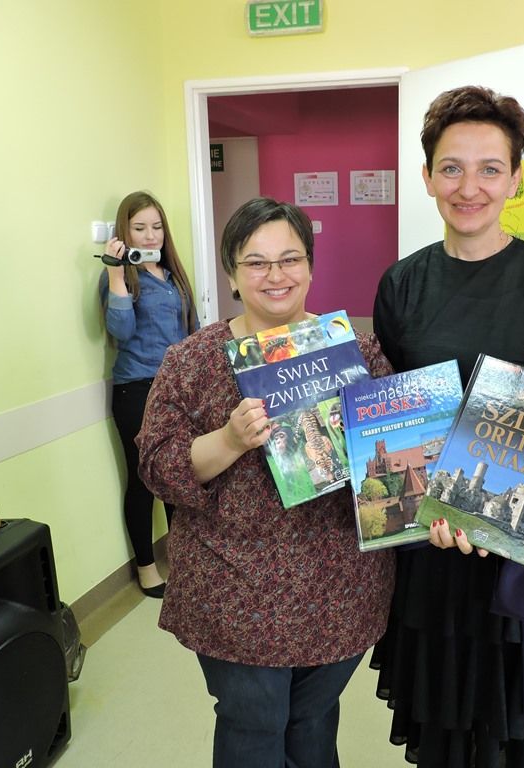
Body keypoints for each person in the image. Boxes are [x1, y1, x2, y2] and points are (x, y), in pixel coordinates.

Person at [371, 85, 524, 766]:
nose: (469, 187)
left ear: (515, 179)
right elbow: (392, 414)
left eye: (489, 169)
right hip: (430, 550)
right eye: (451, 168)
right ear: (427, 177)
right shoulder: (402, 285)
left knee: (512, 734)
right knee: (441, 729)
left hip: (520, 543)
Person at [136, 197, 395, 768]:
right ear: (231, 274)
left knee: (313, 722)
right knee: (252, 725)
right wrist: (229, 440)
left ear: (310, 267)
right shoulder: (192, 361)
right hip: (235, 592)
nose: (275, 275)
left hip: (340, 591)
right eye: (255, 262)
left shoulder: (355, 351)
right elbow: (156, 464)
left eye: (290, 259)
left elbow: (396, 450)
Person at [99, 190, 198, 598]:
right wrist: (116, 275)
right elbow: (120, 332)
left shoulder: (172, 275)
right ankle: (146, 568)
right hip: (137, 388)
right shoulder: (122, 277)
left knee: (179, 475)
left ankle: (184, 559)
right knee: (142, 481)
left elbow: (190, 332)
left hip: (177, 389)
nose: (150, 235)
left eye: (156, 226)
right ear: (124, 232)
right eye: (139, 228)